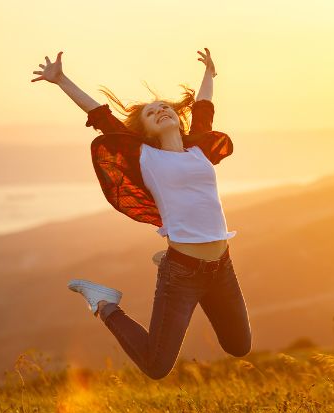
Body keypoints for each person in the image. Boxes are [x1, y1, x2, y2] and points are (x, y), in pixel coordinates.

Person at [31, 48, 252, 379]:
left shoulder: (199, 148)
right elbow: (101, 116)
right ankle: (104, 304)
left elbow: (204, 107)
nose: (161, 110)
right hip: (183, 274)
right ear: (145, 131)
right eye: (152, 113)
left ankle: (162, 260)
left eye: (164, 107)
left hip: (222, 267)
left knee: (239, 346)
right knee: (156, 365)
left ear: (178, 117)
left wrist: (210, 74)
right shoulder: (144, 156)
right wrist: (61, 80)